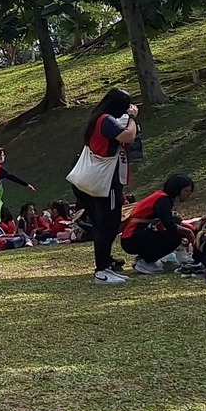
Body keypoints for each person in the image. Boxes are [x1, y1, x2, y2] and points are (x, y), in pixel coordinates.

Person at [75, 88, 137, 284]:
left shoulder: (98, 118)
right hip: (105, 182)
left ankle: (106, 262)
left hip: (101, 181)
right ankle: (101, 270)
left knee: (105, 224)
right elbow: (128, 137)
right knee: (108, 226)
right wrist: (132, 118)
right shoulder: (106, 120)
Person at [123, 173, 196, 273]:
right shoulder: (163, 199)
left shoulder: (161, 197)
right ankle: (146, 261)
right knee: (174, 237)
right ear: (177, 189)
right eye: (186, 191)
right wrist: (185, 231)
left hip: (132, 236)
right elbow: (169, 224)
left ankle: (143, 259)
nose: (188, 195)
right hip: (133, 236)